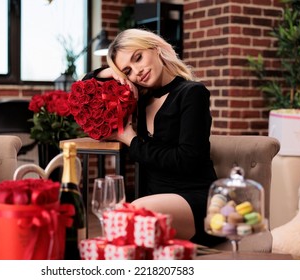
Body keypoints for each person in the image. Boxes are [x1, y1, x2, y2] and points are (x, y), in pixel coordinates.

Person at [84, 28, 224, 247]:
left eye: (138, 57)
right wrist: (112, 74)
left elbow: (186, 160)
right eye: (128, 71)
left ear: (156, 48)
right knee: (124, 223)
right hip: (154, 199)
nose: (137, 72)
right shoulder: (140, 101)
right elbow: (86, 86)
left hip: (195, 199)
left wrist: (130, 139)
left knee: (125, 219)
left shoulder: (192, 93)